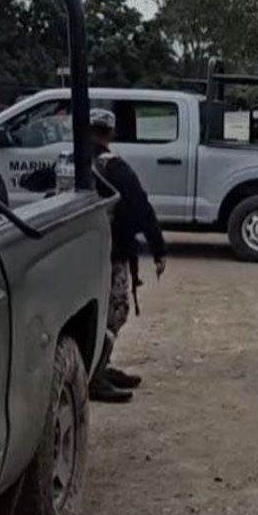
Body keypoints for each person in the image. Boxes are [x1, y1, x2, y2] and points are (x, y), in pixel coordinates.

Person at [88, 109, 168, 403]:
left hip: (76, 251)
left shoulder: (69, 161)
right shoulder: (115, 167)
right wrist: (158, 249)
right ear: (111, 132)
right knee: (114, 312)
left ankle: (98, 366)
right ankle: (95, 374)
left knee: (91, 311)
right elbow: (141, 208)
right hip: (112, 252)